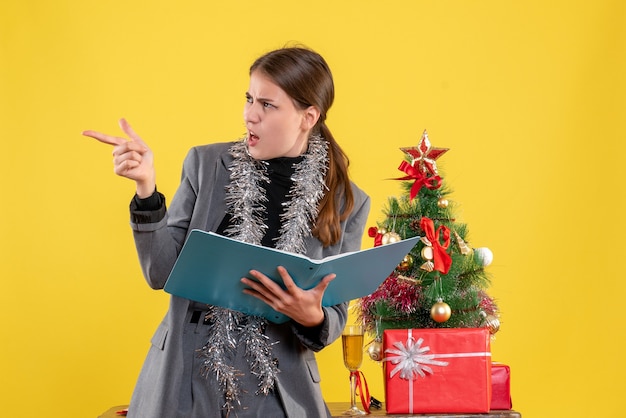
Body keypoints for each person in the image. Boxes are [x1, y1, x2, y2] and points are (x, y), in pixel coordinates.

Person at [83, 46, 371, 418]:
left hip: (278, 386)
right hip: (184, 376)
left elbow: (333, 315)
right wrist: (146, 191)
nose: (250, 115)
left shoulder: (347, 201)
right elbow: (161, 273)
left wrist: (312, 315)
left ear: (308, 117)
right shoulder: (205, 163)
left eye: (268, 105)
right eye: (249, 99)